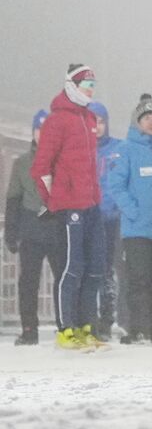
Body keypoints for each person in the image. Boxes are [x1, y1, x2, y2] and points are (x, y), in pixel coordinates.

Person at [30, 65, 107, 349]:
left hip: (91, 206)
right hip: (69, 206)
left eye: (92, 85)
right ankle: (66, 330)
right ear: (72, 85)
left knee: (96, 266)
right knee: (72, 267)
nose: (90, 90)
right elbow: (41, 167)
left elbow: (89, 166)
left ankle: (87, 326)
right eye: (86, 84)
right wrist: (54, 201)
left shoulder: (88, 118)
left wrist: (95, 197)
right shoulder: (57, 120)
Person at [103, 94, 152, 344]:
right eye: (147, 118)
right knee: (137, 279)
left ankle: (147, 327)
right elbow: (116, 186)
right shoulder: (125, 150)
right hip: (136, 230)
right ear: (137, 121)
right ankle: (136, 328)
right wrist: (133, 211)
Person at [4, 109, 64, 345]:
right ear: (33, 132)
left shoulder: (63, 161)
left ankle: (65, 326)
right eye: (39, 130)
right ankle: (29, 328)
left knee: (62, 280)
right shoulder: (22, 163)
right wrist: (11, 231)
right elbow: (13, 199)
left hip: (57, 229)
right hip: (31, 230)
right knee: (28, 282)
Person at [91, 101, 124, 339]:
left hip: (112, 219)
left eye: (101, 121)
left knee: (107, 270)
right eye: (92, 121)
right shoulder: (78, 149)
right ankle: (87, 317)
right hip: (86, 217)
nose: (97, 127)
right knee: (86, 270)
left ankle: (107, 318)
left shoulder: (118, 148)